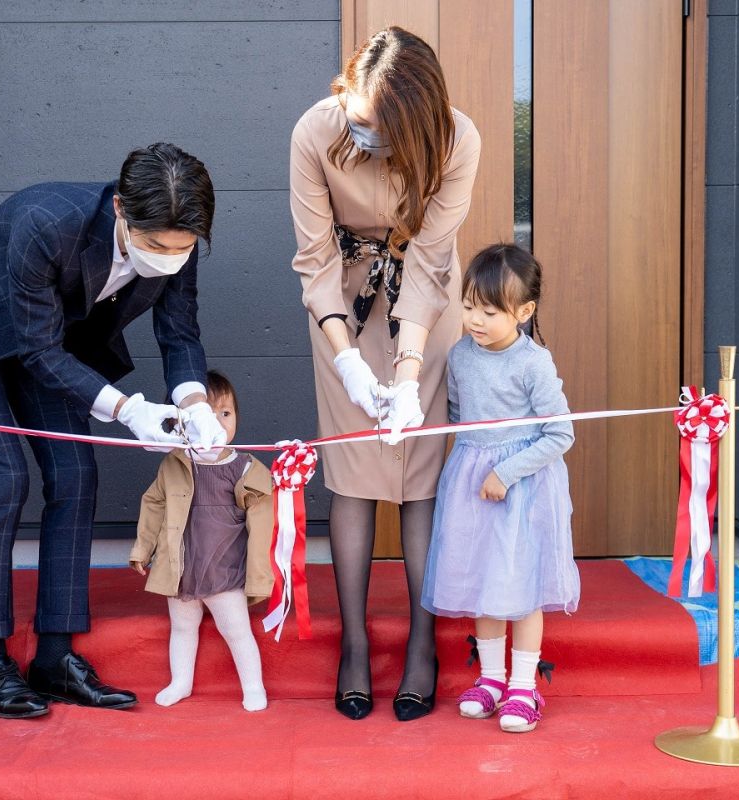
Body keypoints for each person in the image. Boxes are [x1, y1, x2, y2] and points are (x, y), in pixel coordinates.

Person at [0, 143, 228, 719]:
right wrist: (128, 409)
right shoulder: (45, 221)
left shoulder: (178, 242)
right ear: (120, 208)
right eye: (154, 246)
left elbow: (180, 336)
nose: (168, 258)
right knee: (2, 479)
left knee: (74, 473)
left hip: (48, 337)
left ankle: (55, 657)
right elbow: (39, 350)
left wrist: (193, 402)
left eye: (182, 248)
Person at [289, 26, 481, 721]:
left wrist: (404, 376)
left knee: (421, 475)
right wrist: (347, 359)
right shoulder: (316, 130)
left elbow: (431, 264)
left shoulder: (458, 140)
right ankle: (354, 643)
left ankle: (423, 643)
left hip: (425, 313)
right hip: (342, 304)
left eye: (377, 127)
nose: (361, 132)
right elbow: (313, 260)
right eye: (357, 116)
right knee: (352, 473)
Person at [422, 243, 579, 733]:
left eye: (489, 311)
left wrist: (505, 473)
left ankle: (523, 685)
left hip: (522, 490)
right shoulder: (459, 356)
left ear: (524, 312)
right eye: (469, 306)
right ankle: (490, 679)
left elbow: (561, 433)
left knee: (521, 587)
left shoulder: (533, 363)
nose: (475, 319)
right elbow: (454, 415)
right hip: (471, 483)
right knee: (482, 584)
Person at [130, 370, 273, 712]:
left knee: (236, 629)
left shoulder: (244, 467)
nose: (219, 422)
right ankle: (181, 681)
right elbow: (154, 504)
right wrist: (143, 548)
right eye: (207, 414)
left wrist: (260, 575)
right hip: (180, 566)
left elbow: (263, 519)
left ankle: (253, 686)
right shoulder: (174, 464)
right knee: (182, 626)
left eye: (226, 413)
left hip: (222, 568)